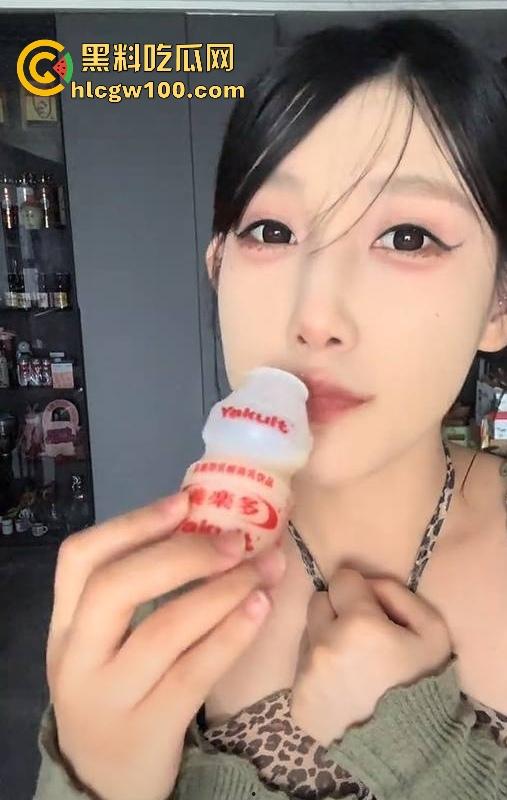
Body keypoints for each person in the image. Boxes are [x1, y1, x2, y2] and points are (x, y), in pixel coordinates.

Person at [34, 15, 507, 800]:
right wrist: (93, 779)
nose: (314, 315)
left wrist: (420, 749)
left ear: (497, 303)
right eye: (272, 230)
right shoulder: (149, 609)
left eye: (407, 237)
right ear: (217, 267)